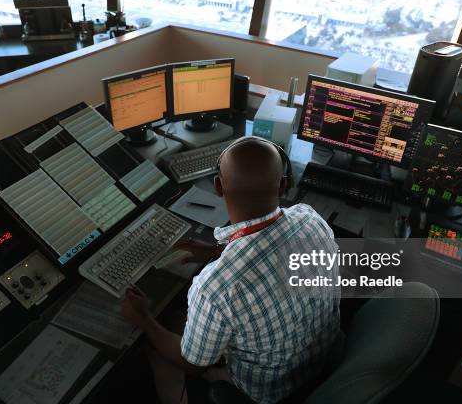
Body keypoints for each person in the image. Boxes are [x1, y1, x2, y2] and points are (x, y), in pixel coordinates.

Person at [122, 137, 340, 403]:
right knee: (187, 319)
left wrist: (143, 317)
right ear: (284, 184)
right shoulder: (311, 219)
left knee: (156, 349)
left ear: (218, 187)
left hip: (269, 393)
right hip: (324, 363)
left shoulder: (214, 288)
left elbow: (193, 364)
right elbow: (270, 251)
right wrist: (219, 251)